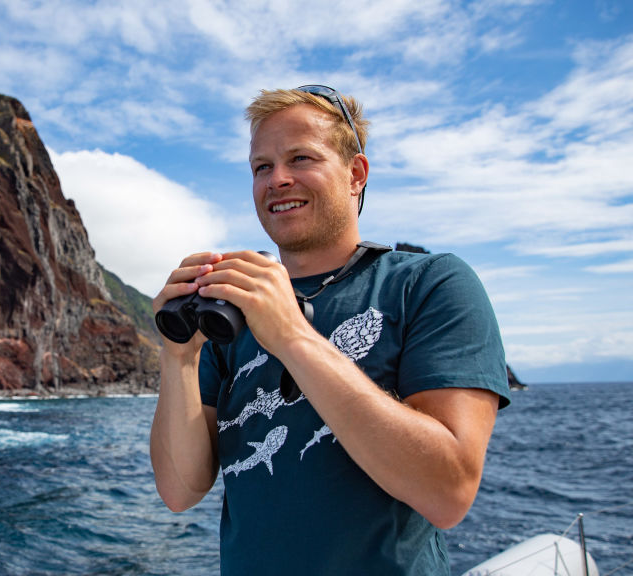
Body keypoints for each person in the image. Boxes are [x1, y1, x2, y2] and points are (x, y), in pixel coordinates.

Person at [149, 85, 511, 575]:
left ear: (355, 174)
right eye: (262, 166)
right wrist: (179, 359)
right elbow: (179, 492)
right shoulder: (231, 312)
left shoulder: (431, 284)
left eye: (300, 158)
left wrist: (291, 336)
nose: (277, 179)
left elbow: (447, 491)